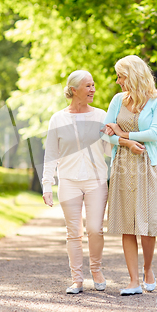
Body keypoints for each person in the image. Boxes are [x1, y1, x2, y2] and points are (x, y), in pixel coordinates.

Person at [42, 70, 111, 294]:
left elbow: (110, 150)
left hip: (96, 180)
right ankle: (77, 279)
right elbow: (51, 153)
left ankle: (96, 269)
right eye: (88, 86)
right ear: (74, 90)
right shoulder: (58, 118)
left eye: (93, 85)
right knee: (73, 232)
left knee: (95, 229)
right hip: (69, 181)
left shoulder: (101, 115)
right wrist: (47, 184)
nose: (93, 89)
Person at [102, 55, 157, 296]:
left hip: (147, 165)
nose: (117, 81)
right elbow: (105, 133)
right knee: (127, 224)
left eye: (121, 76)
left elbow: (154, 133)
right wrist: (124, 143)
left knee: (147, 223)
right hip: (122, 165)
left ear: (134, 75)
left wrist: (123, 134)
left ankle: (148, 270)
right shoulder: (118, 100)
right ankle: (133, 281)